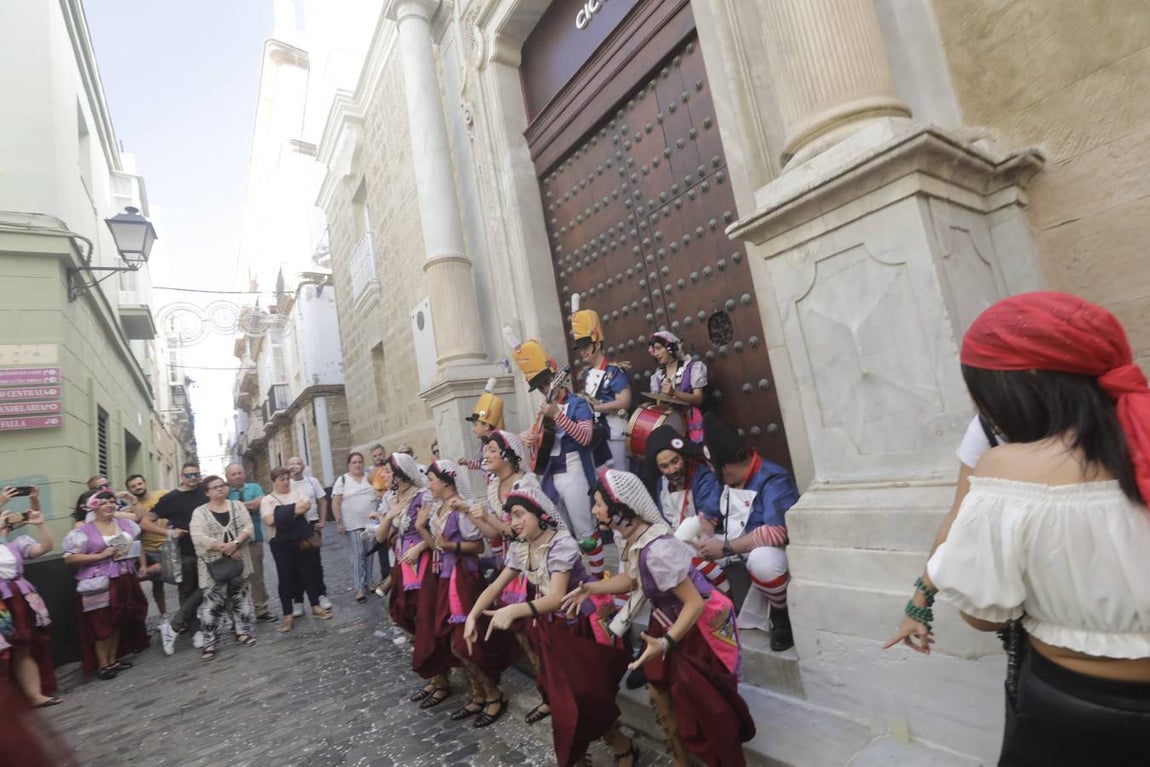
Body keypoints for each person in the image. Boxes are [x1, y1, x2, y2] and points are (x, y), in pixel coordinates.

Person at [896, 292, 1150, 765]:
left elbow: (984, 614)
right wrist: (920, 597)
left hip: (1073, 711)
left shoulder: (1006, 470)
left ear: (1026, 382)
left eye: (981, 387)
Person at [563, 469, 754, 766]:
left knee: (710, 708)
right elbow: (631, 579)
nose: (594, 510)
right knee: (663, 689)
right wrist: (591, 587)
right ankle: (681, 757)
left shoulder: (658, 550)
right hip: (669, 619)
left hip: (699, 626)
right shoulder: (629, 536)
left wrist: (665, 643)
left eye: (599, 503)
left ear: (622, 508)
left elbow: (694, 605)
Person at [466, 486, 636, 765]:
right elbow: (497, 585)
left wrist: (515, 609)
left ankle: (619, 742)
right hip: (549, 630)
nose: (514, 522)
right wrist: (473, 615)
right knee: (564, 700)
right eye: (511, 517)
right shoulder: (521, 548)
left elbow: (557, 597)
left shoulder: (561, 545)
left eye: (520, 514)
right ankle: (578, 758)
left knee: (587, 695)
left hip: (577, 628)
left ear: (541, 514)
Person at [412, 460, 516, 726]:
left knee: (465, 641)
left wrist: (450, 546)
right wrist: (422, 528)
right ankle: (478, 693)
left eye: (432, 480)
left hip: (463, 579)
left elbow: (478, 547)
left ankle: (493, 694)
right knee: (453, 640)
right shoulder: (439, 508)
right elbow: (438, 546)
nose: (429, 485)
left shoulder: (460, 509)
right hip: (445, 578)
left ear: (447, 482)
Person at [698, 413, 800, 651]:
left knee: (764, 561)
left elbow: (777, 532)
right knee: (684, 549)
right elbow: (707, 515)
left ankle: (780, 613)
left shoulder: (772, 478)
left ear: (727, 465)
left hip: (767, 552)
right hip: (731, 549)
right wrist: (704, 536)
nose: (710, 470)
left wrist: (724, 548)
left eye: (713, 465)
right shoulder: (723, 478)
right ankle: (726, 607)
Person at [512, 337, 607, 578]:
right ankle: (570, 579)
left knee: (585, 531)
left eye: (546, 383)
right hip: (550, 474)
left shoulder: (578, 404)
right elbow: (541, 437)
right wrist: (528, 437)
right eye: (540, 387)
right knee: (556, 531)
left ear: (556, 377)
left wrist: (558, 415)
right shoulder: (544, 409)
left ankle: (598, 579)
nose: (545, 389)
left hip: (574, 471)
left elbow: (585, 438)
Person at [61, 490, 149, 679]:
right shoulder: (83, 531)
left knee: (117, 619)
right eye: (103, 503)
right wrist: (100, 555)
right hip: (98, 581)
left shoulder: (125, 524)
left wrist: (141, 563)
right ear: (94, 507)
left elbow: (137, 537)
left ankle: (113, 659)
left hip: (124, 577)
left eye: (111, 501)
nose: (108, 505)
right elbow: (69, 558)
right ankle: (102, 664)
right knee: (101, 623)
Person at [643, 424, 728, 593]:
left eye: (675, 461)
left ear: (683, 456)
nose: (672, 470)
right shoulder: (662, 483)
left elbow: (705, 518)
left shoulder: (702, 475)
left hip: (709, 538)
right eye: (664, 466)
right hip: (678, 541)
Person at [0, 486, 58, 707]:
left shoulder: (16, 544)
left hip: (17, 597)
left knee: (23, 646)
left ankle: (34, 695)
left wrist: (40, 523)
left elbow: (46, 547)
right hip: (2, 602)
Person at [188, 475, 257, 661]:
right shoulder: (199, 512)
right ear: (207, 492)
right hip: (213, 564)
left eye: (222, 486)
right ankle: (210, 641)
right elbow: (198, 537)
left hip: (238, 559)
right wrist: (226, 548)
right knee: (212, 603)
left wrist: (235, 543)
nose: (219, 489)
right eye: (214, 487)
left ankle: (242, 632)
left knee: (240, 597)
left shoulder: (237, 506)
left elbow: (248, 527)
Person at [261, 467, 330, 633]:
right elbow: (269, 520)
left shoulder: (297, 492)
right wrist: (293, 511)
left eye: (287, 478)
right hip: (280, 543)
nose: (285, 482)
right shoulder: (267, 500)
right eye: (281, 479)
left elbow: (305, 506)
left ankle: (315, 605)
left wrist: (281, 513)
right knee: (285, 577)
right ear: (274, 481)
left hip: (301, 540)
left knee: (308, 572)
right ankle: (287, 615)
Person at [372, 453, 429, 641]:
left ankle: (426, 642)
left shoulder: (422, 496)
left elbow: (437, 530)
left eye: (388, 472)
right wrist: (389, 517)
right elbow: (380, 538)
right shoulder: (392, 498)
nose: (384, 476)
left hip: (422, 556)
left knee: (421, 602)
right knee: (402, 605)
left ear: (400, 474)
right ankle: (419, 638)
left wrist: (419, 548)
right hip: (402, 556)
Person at [571, 304, 632, 469]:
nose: (582, 352)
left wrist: (594, 408)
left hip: (614, 432)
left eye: (585, 347)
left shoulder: (614, 371)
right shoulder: (588, 374)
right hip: (597, 434)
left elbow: (624, 401)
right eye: (580, 349)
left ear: (596, 345)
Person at [225, 464, 273, 622]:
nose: (237, 476)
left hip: (254, 538)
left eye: (239, 473)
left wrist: (236, 507)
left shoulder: (254, 487)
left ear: (244, 474)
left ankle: (261, 609)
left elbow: (260, 503)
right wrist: (248, 505)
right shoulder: (224, 492)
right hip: (232, 542)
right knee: (234, 578)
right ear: (227, 477)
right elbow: (224, 511)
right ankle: (235, 615)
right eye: (233, 474)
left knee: (256, 575)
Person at [287, 456, 331, 615]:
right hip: (293, 528)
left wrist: (323, 520)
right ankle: (298, 600)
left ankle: (321, 595)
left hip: (311, 525)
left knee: (314, 563)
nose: (295, 466)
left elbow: (323, 501)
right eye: (291, 464)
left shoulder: (312, 482)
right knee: (294, 565)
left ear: (303, 466)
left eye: (298, 463)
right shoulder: (286, 484)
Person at [332, 452, 377, 603]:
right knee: (358, 555)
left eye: (359, 462)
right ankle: (359, 587)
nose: (357, 465)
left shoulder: (369, 477)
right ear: (349, 465)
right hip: (353, 524)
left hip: (371, 523)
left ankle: (369, 583)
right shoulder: (343, 480)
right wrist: (339, 522)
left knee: (370, 554)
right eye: (354, 463)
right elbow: (336, 502)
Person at [648, 330, 708, 443]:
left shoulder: (691, 368)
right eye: (654, 350)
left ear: (670, 348)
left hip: (691, 420)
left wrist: (674, 393)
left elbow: (698, 399)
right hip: (672, 424)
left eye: (659, 348)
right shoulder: (657, 377)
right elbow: (660, 406)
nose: (656, 354)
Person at [123, 474, 171, 614]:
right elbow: (139, 521)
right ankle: (164, 615)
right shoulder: (132, 509)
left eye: (139, 484)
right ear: (129, 490)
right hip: (149, 550)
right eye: (133, 486)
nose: (138, 487)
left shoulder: (163, 495)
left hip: (169, 546)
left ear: (145, 483)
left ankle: (184, 615)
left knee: (179, 579)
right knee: (158, 585)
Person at [459, 378, 505, 471]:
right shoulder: (485, 444)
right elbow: (482, 464)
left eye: (476, 425)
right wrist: (468, 463)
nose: (473, 429)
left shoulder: (500, 443)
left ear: (487, 426)